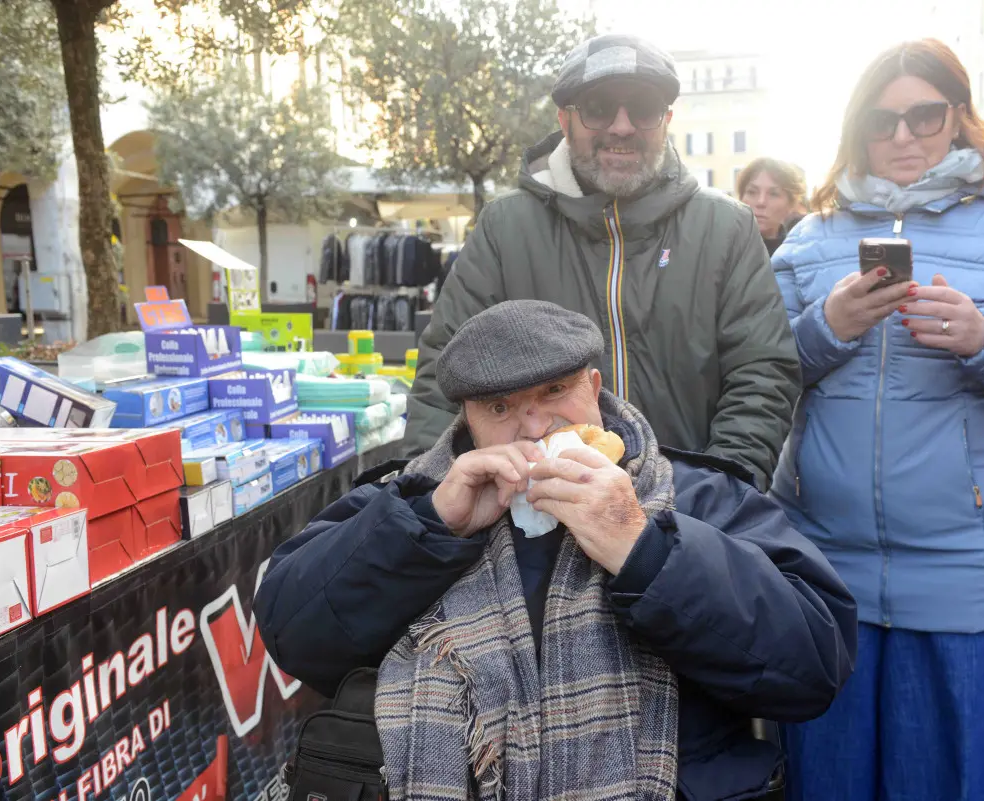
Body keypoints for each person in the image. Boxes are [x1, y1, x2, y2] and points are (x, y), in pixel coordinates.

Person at [257, 300, 857, 801]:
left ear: (594, 388)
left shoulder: (698, 496)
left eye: (555, 391)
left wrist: (646, 549)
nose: (534, 427)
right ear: (466, 417)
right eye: (500, 407)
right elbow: (295, 636)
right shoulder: (410, 500)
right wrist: (428, 528)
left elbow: (812, 667)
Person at [767, 40, 984, 801]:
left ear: (958, 118)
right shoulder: (810, 239)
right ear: (857, 128)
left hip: (968, 568)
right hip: (826, 561)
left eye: (924, 114)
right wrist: (826, 326)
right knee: (832, 782)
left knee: (966, 779)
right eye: (884, 120)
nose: (904, 136)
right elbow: (763, 375)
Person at [404, 33, 801, 491]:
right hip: (533, 519)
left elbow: (763, 374)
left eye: (644, 107)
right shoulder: (505, 227)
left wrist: (717, 492)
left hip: (687, 514)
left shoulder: (726, 226)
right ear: (565, 119)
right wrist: (434, 497)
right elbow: (445, 372)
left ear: (666, 120)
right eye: (598, 107)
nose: (622, 126)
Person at [736, 157, 807, 254]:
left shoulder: (799, 254)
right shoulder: (720, 248)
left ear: (791, 204)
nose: (761, 202)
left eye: (774, 194)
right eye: (752, 192)